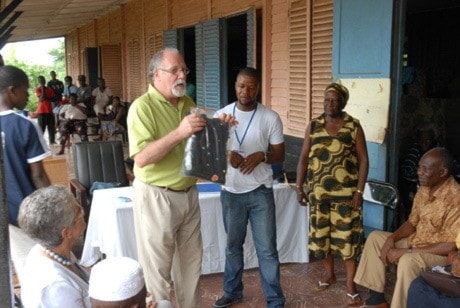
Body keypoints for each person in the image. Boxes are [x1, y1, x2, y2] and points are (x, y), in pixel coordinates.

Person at [127, 47, 235, 307]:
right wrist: (179, 132)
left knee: (190, 269)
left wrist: (220, 122)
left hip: (189, 194)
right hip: (157, 196)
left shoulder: (186, 103)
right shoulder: (142, 107)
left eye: (183, 70)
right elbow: (140, 158)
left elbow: (201, 132)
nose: (182, 75)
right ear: (157, 75)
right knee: (158, 275)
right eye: (174, 70)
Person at [212, 67, 286, 308]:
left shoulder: (270, 117)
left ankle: (275, 301)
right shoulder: (221, 115)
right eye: (242, 86)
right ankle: (232, 292)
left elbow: (279, 154)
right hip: (231, 192)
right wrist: (227, 153)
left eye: (251, 86)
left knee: (267, 251)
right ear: (235, 85)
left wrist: (262, 156)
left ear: (258, 88)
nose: (246, 91)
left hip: (260, 192)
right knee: (233, 248)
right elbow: (210, 151)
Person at [354, 147, 460, 308]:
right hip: (416, 241)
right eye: (419, 167)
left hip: (440, 254)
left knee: (408, 260)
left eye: (425, 169)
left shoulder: (456, 198)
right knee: (377, 238)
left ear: (443, 172)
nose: (419, 172)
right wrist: (392, 238)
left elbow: (451, 245)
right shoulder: (425, 187)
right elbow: (412, 222)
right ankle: (377, 300)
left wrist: (407, 251)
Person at [295, 82, 369, 306]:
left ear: (343, 103)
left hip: (347, 197)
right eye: (326, 99)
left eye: (335, 100)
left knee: (348, 241)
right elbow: (304, 158)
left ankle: (350, 285)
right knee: (323, 239)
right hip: (320, 196)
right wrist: (300, 187)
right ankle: (329, 275)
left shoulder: (353, 126)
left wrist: (359, 190)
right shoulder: (314, 125)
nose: (329, 104)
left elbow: (364, 160)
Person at [18, 185, 90, 308]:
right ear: (67, 233)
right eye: (79, 211)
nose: (82, 210)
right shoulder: (56, 287)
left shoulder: (45, 248)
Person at [0, 65, 51, 226]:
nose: (28, 95)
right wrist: (50, 207)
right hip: (23, 212)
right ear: (12, 90)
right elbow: (38, 176)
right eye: (25, 90)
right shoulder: (25, 125)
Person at [399, 124, 438, 219]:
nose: (424, 143)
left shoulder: (438, 150)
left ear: (433, 140)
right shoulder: (415, 150)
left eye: (427, 140)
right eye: (421, 140)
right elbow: (406, 171)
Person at [35, 75, 56, 144]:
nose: (42, 81)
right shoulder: (38, 89)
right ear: (39, 82)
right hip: (41, 112)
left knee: (51, 129)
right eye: (40, 80)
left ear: (45, 80)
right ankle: (39, 143)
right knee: (41, 130)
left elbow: (53, 99)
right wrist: (42, 88)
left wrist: (46, 98)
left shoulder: (49, 89)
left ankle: (52, 142)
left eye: (43, 80)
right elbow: (41, 98)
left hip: (49, 111)